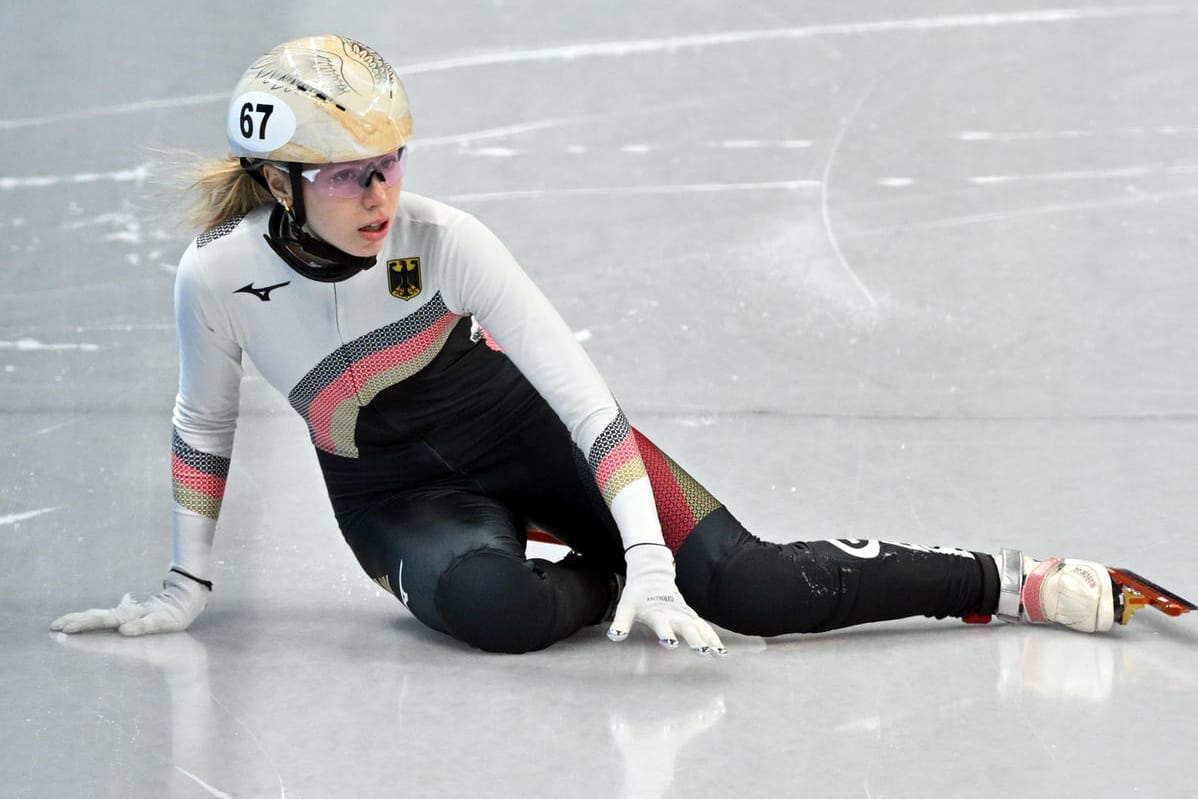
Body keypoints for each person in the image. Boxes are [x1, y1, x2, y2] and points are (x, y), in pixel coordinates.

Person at [51, 35, 1128, 654]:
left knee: (747, 588)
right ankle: (597, 577)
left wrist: (663, 564)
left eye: (392, 161)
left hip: (524, 434)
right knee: (499, 613)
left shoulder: (446, 241)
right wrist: (185, 588)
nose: (380, 194)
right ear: (280, 182)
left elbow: (584, 401)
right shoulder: (217, 279)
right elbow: (203, 421)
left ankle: (1004, 577)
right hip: (394, 499)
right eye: (346, 174)